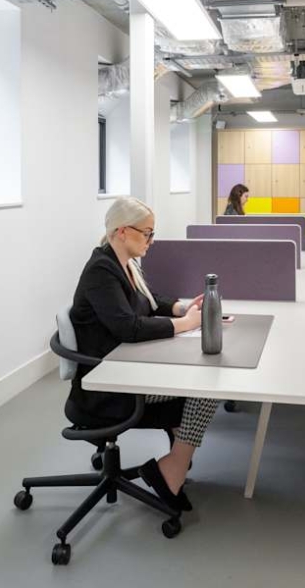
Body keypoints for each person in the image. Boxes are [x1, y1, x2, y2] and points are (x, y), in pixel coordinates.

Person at [69, 196, 219, 512]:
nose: (151, 241)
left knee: (199, 385)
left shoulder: (124, 264)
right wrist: (185, 324)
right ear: (123, 231)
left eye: (152, 233)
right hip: (109, 386)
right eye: (147, 233)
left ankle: (178, 455)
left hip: (126, 366)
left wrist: (181, 308)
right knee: (205, 389)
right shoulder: (101, 271)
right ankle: (173, 468)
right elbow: (129, 328)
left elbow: (148, 301)